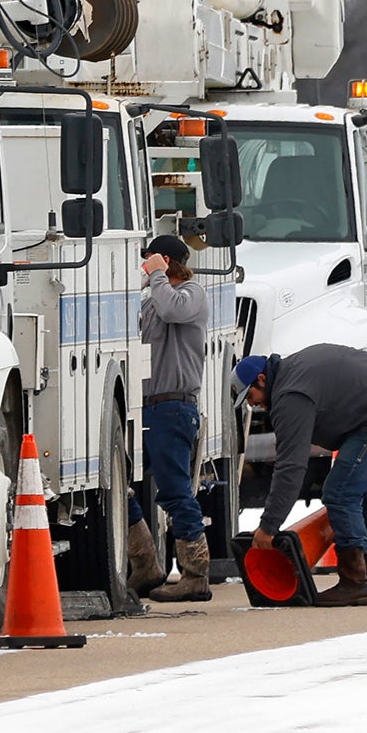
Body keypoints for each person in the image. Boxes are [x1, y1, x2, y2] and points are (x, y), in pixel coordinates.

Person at [239, 341, 367, 609]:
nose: (253, 405)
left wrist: (269, 526)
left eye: (250, 396)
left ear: (262, 378)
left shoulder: (290, 393)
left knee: (340, 493)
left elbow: (291, 466)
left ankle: (354, 583)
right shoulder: (296, 371)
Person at [136, 233, 218, 600]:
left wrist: (157, 276)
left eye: (150, 260)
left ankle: (195, 574)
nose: (145, 266)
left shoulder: (191, 294)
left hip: (174, 406)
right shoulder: (154, 298)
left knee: (175, 491)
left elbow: (173, 310)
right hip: (149, 406)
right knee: (122, 486)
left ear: (165, 261)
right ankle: (144, 562)